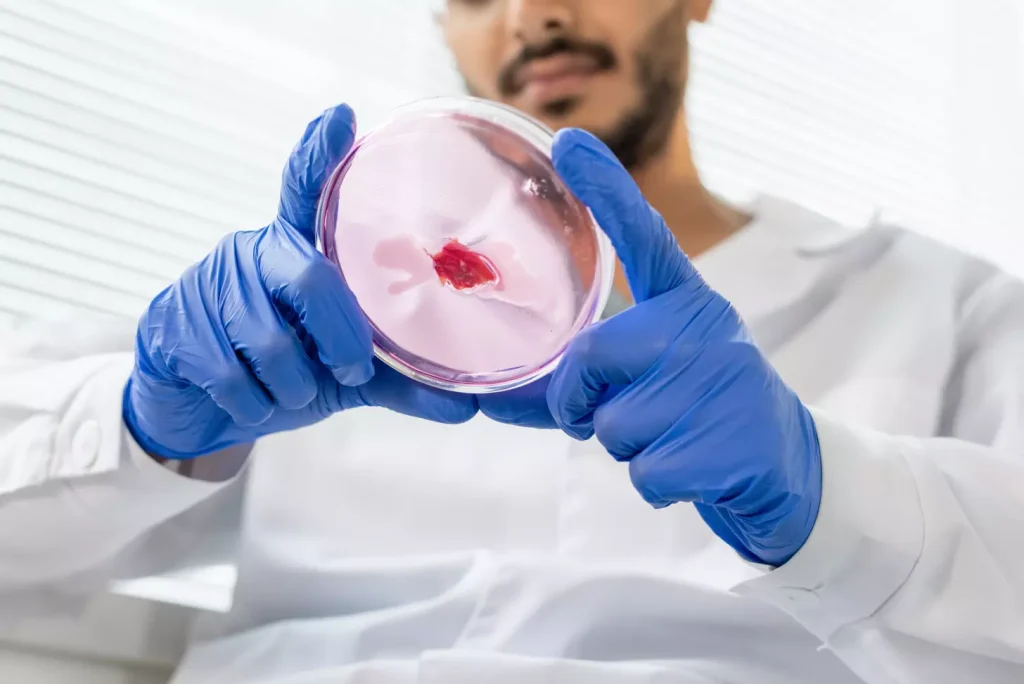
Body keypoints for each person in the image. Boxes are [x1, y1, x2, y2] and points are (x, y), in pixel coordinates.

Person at [2, 0, 1023, 681]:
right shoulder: (320, 294)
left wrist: (829, 494)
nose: (533, 12)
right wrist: (142, 424)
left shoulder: (942, 305)